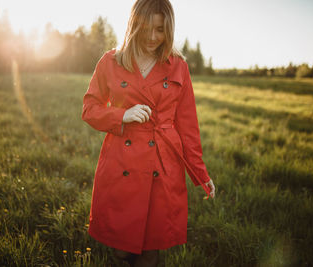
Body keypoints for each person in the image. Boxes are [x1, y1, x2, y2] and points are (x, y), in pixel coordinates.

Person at [81, 0, 216, 266]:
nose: (153, 37)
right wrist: (122, 115)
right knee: (121, 248)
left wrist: (200, 174)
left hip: (162, 165)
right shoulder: (111, 61)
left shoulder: (178, 66)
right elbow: (89, 109)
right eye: (146, 29)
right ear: (133, 25)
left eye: (161, 30)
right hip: (121, 161)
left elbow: (188, 127)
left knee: (150, 249)